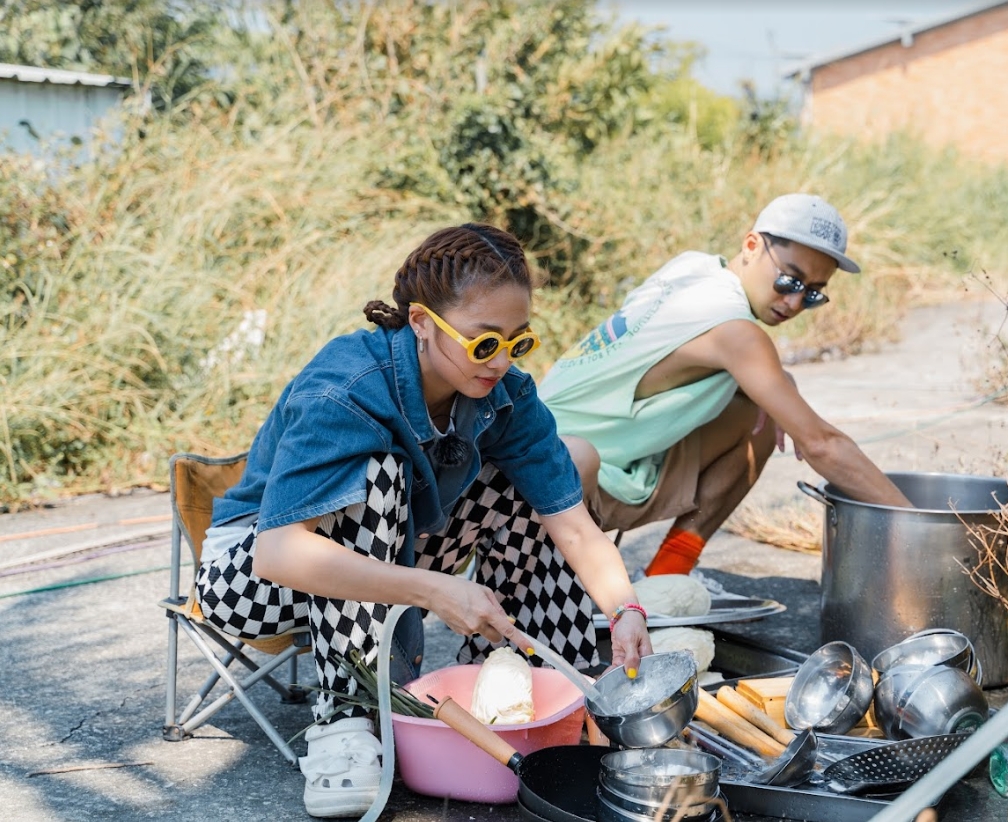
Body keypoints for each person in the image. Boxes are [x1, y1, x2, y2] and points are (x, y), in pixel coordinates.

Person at [195, 224, 652, 819]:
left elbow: (573, 526)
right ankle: (344, 720)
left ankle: (531, 691)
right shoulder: (347, 387)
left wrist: (626, 611)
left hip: (398, 548)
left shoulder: (505, 393)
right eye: (483, 343)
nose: (501, 362)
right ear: (420, 322)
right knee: (378, 470)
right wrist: (437, 590)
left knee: (529, 482)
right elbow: (278, 554)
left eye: (519, 342)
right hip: (254, 579)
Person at [539, 193, 912, 577]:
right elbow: (822, 444)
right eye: (789, 279)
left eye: (813, 293)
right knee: (764, 408)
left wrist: (782, 381)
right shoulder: (736, 333)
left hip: (586, 460)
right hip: (545, 483)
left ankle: (667, 577)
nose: (795, 301)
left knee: (756, 418)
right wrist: (917, 523)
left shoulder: (692, 269)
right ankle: (548, 584)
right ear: (751, 245)